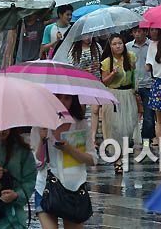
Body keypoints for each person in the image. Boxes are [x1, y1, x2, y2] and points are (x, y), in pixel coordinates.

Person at [31, 94, 97, 229]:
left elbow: (92, 159)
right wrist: (42, 140)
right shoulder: (40, 125)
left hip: (74, 188)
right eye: (58, 97)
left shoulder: (81, 124)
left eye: (67, 98)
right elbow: (37, 163)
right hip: (46, 187)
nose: (62, 102)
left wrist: (70, 150)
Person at [100, 34, 138, 174]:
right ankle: (117, 159)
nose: (118, 46)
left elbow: (134, 75)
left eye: (120, 43)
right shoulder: (106, 62)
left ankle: (123, 152)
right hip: (113, 95)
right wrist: (112, 74)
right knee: (114, 128)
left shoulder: (131, 57)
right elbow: (104, 82)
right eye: (115, 44)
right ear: (110, 46)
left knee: (128, 127)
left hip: (128, 95)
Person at [68, 37, 102, 146]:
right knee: (81, 109)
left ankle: (92, 137)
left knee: (95, 109)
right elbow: (71, 66)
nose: (88, 38)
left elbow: (101, 62)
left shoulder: (97, 47)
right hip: (80, 83)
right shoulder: (74, 49)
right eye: (85, 35)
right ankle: (81, 134)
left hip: (95, 82)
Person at [126, 27, 156, 147]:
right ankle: (131, 136)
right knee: (132, 113)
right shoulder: (128, 47)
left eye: (139, 31)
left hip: (149, 83)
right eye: (135, 32)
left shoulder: (152, 45)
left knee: (149, 114)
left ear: (145, 32)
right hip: (133, 84)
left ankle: (147, 137)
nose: (137, 34)